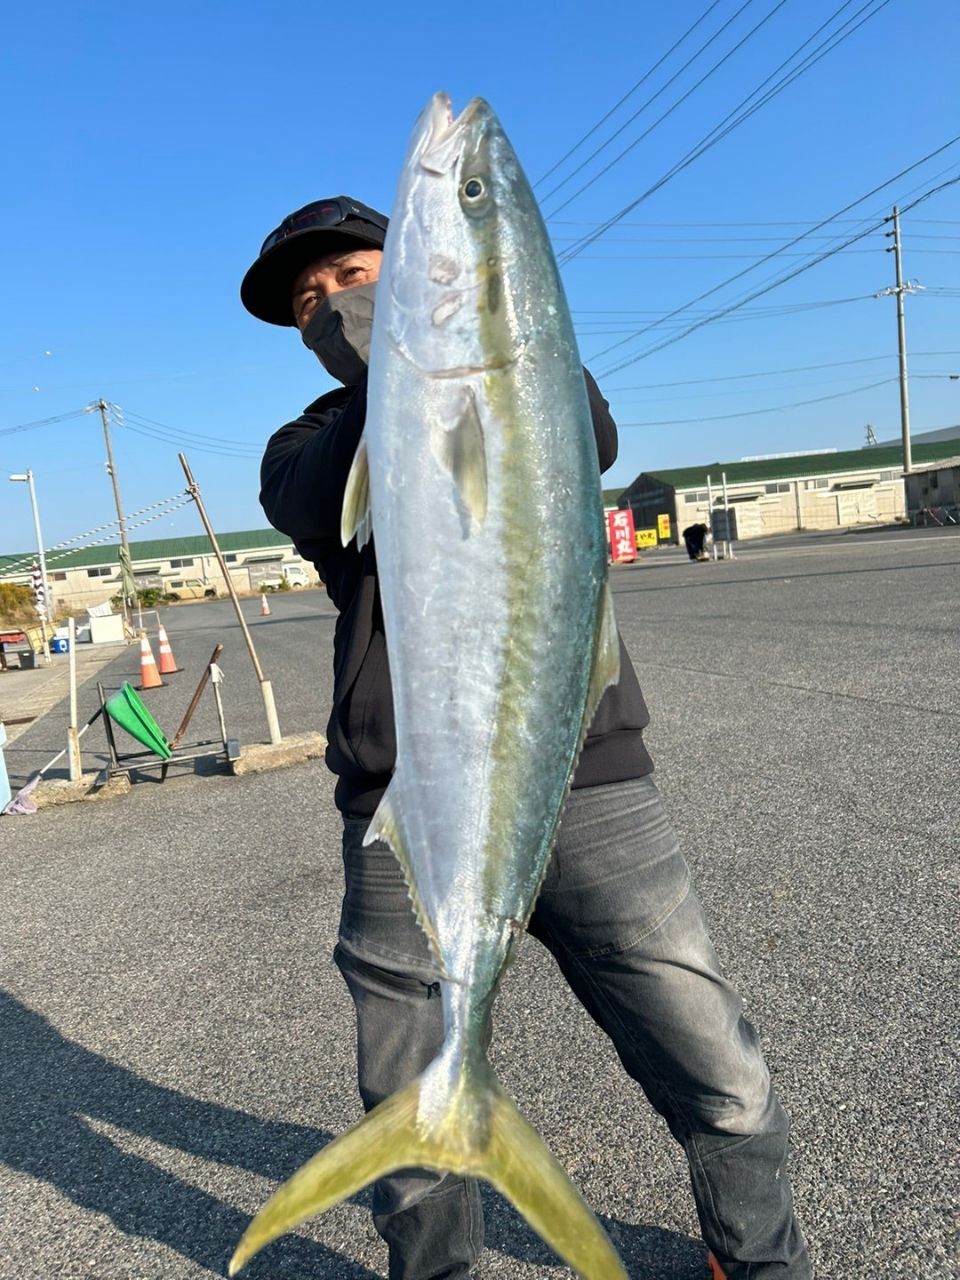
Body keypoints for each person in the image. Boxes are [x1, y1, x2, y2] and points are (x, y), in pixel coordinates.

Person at [241, 197, 811, 1280]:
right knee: (410, 1091)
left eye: (353, 277)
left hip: (586, 776)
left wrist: (465, 330)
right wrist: (393, 357)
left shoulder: (523, 374)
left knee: (712, 1057)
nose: (331, 306)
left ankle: (762, 1259)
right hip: (401, 803)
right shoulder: (308, 440)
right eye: (308, 303)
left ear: (415, 269)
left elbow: (587, 432)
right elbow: (316, 501)